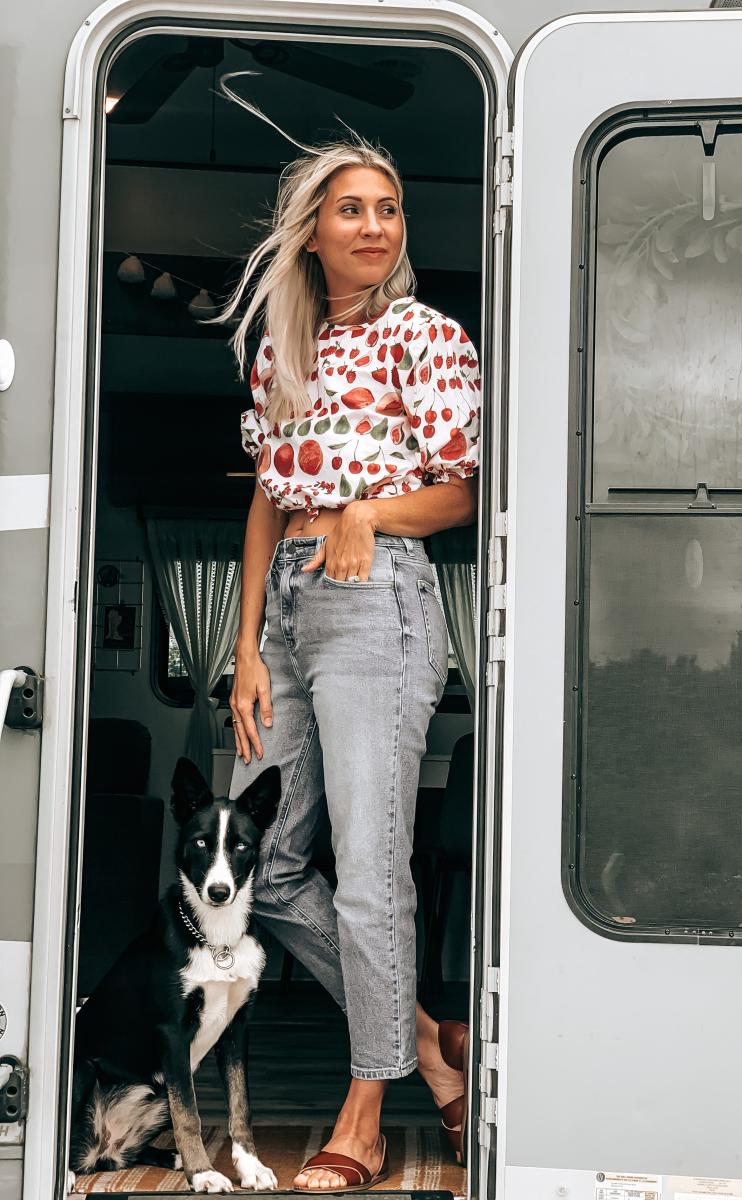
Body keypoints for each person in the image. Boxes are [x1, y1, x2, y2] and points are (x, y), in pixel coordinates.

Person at [223, 133, 480, 1191]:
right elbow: (267, 500)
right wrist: (243, 645)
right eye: (353, 210)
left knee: (373, 874)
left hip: (377, 605)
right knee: (255, 866)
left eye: (389, 209)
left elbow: (459, 491)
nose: (375, 227)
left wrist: (369, 509)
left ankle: (365, 1116)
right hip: (285, 604)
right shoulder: (282, 346)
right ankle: (421, 1041)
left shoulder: (430, 338)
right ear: (312, 231)